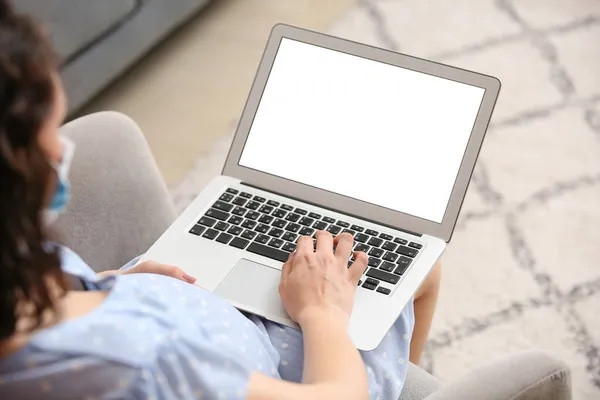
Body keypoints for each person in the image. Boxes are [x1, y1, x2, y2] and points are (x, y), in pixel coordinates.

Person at [0, 2, 441, 399]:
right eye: (52, 129)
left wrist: (110, 283)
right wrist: (322, 311)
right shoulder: (144, 364)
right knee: (420, 270)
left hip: (186, 310)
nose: (61, 150)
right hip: (289, 367)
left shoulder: (16, 275)